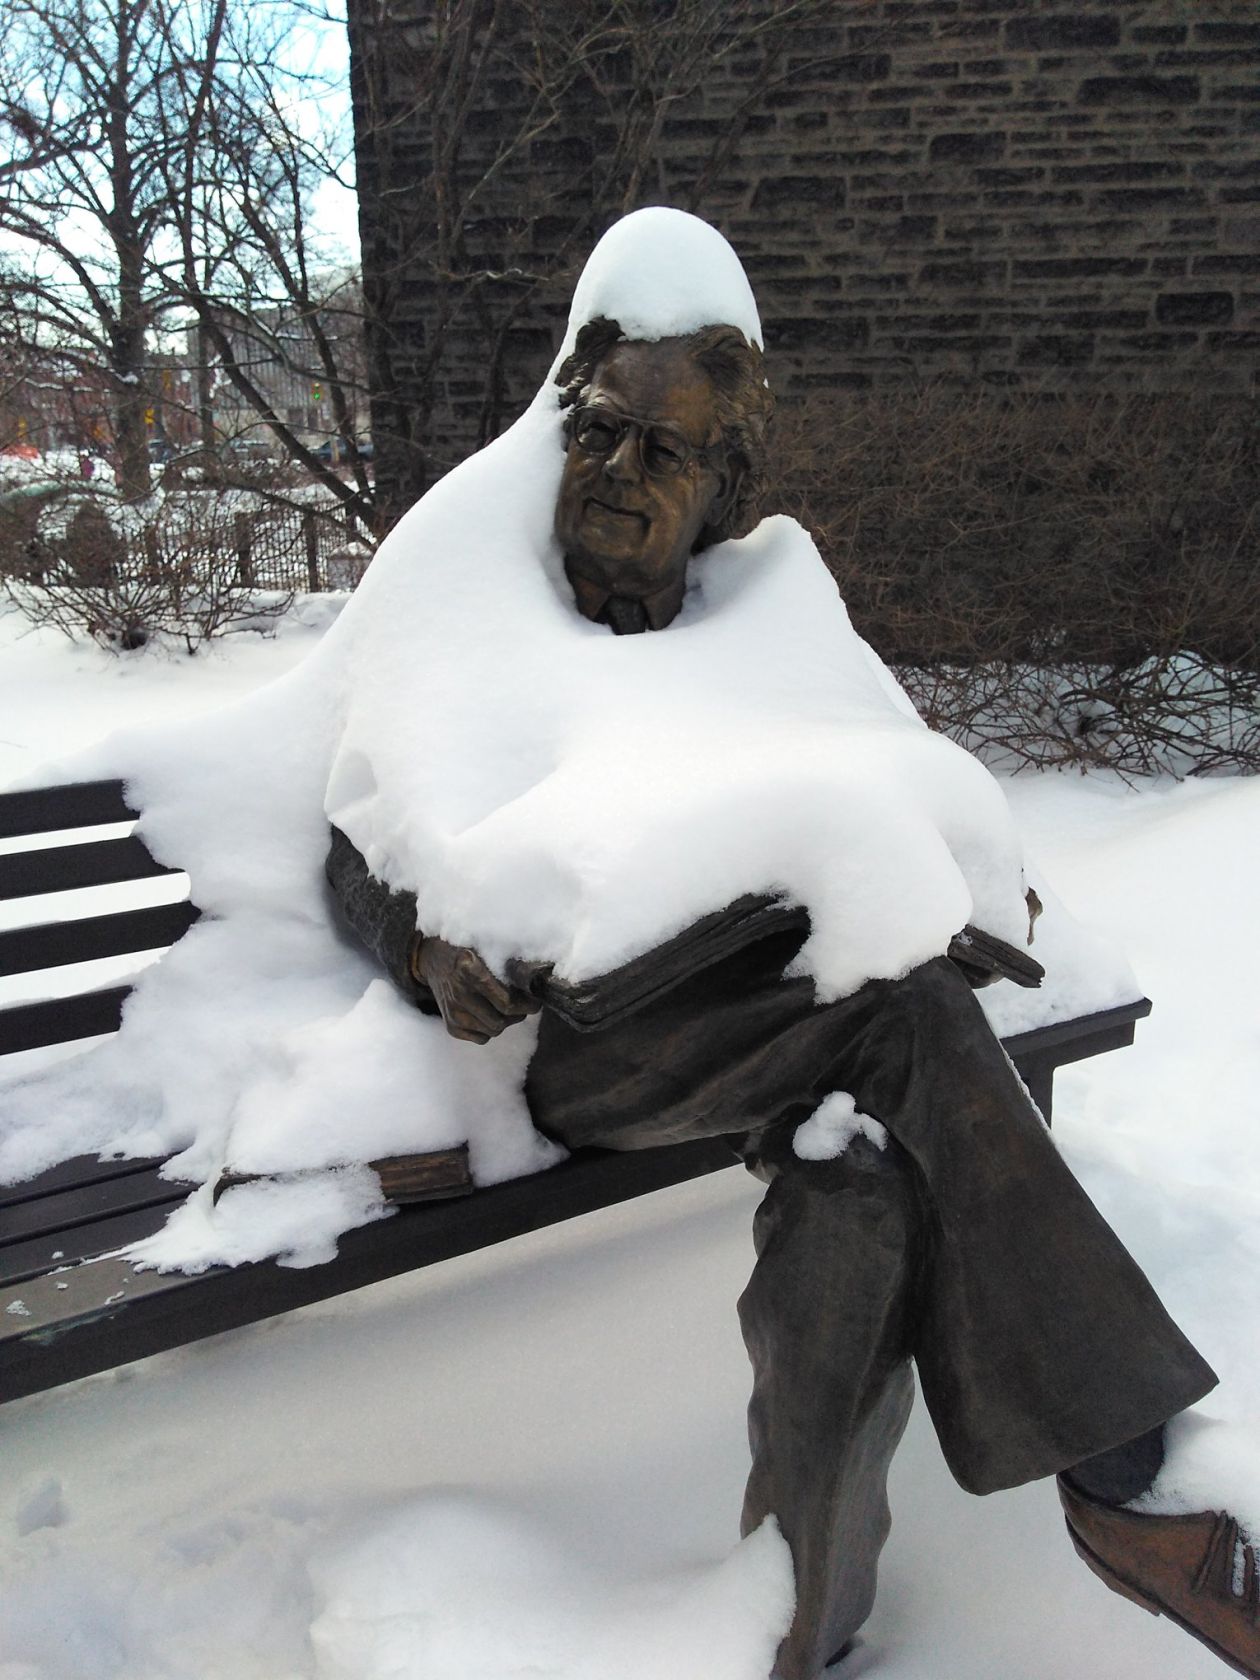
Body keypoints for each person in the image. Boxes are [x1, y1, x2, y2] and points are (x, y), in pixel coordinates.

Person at [326, 267, 1257, 1679]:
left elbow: (905, 784)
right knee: (905, 1021)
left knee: (861, 1178)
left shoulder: (767, 612)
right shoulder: (471, 597)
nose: (618, 475)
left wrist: (952, 869)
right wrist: (421, 940)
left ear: (723, 483)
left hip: (778, 1029)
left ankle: (792, 1623)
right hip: (569, 1056)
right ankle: (1135, 1485)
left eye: (666, 451)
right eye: (597, 435)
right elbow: (343, 825)